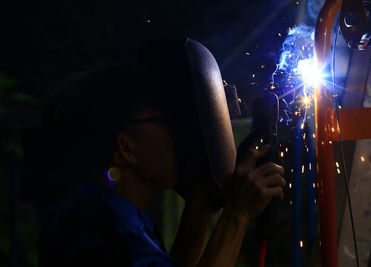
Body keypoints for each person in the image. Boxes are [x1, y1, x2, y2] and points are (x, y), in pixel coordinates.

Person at [39, 60, 286, 267]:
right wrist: (237, 214)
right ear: (127, 147)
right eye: (167, 121)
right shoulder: (106, 226)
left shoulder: (90, 210)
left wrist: (199, 211)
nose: (181, 132)